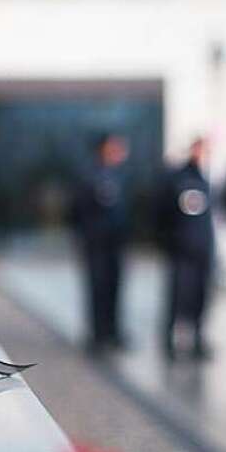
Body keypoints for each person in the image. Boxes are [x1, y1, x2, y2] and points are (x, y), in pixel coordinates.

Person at [72, 132, 131, 352]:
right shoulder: (89, 175)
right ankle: (97, 334)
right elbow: (78, 210)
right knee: (97, 287)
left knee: (115, 287)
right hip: (95, 242)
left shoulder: (122, 175)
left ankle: (113, 332)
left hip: (116, 242)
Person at [157, 137, 214, 360]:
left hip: (203, 246)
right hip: (181, 247)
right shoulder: (177, 178)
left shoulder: (208, 178)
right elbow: (162, 211)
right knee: (178, 295)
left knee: (200, 295)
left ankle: (198, 339)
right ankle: (171, 340)